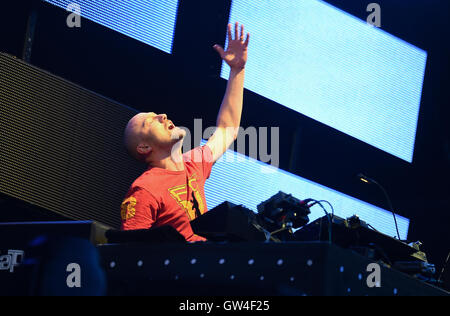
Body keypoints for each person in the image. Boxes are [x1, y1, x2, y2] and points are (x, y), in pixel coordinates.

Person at [120, 22, 249, 242]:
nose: (162, 116)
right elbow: (129, 254)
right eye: (149, 122)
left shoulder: (193, 165)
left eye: (157, 114)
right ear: (144, 147)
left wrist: (237, 71)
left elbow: (228, 129)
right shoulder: (145, 189)